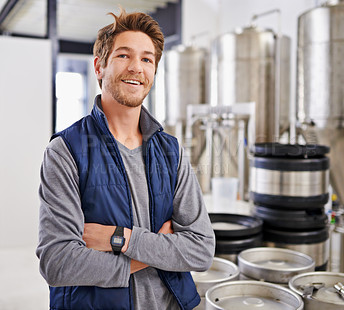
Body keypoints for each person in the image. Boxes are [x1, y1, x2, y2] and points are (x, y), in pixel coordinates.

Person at [36, 8, 215, 310]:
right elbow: (58, 263)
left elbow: (201, 249)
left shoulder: (171, 151)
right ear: (99, 67)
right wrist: (157, 251)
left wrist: (120, 239)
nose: (136, 67)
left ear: (154, 73)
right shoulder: (65, 151)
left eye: (147, 59)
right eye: (123, 56)